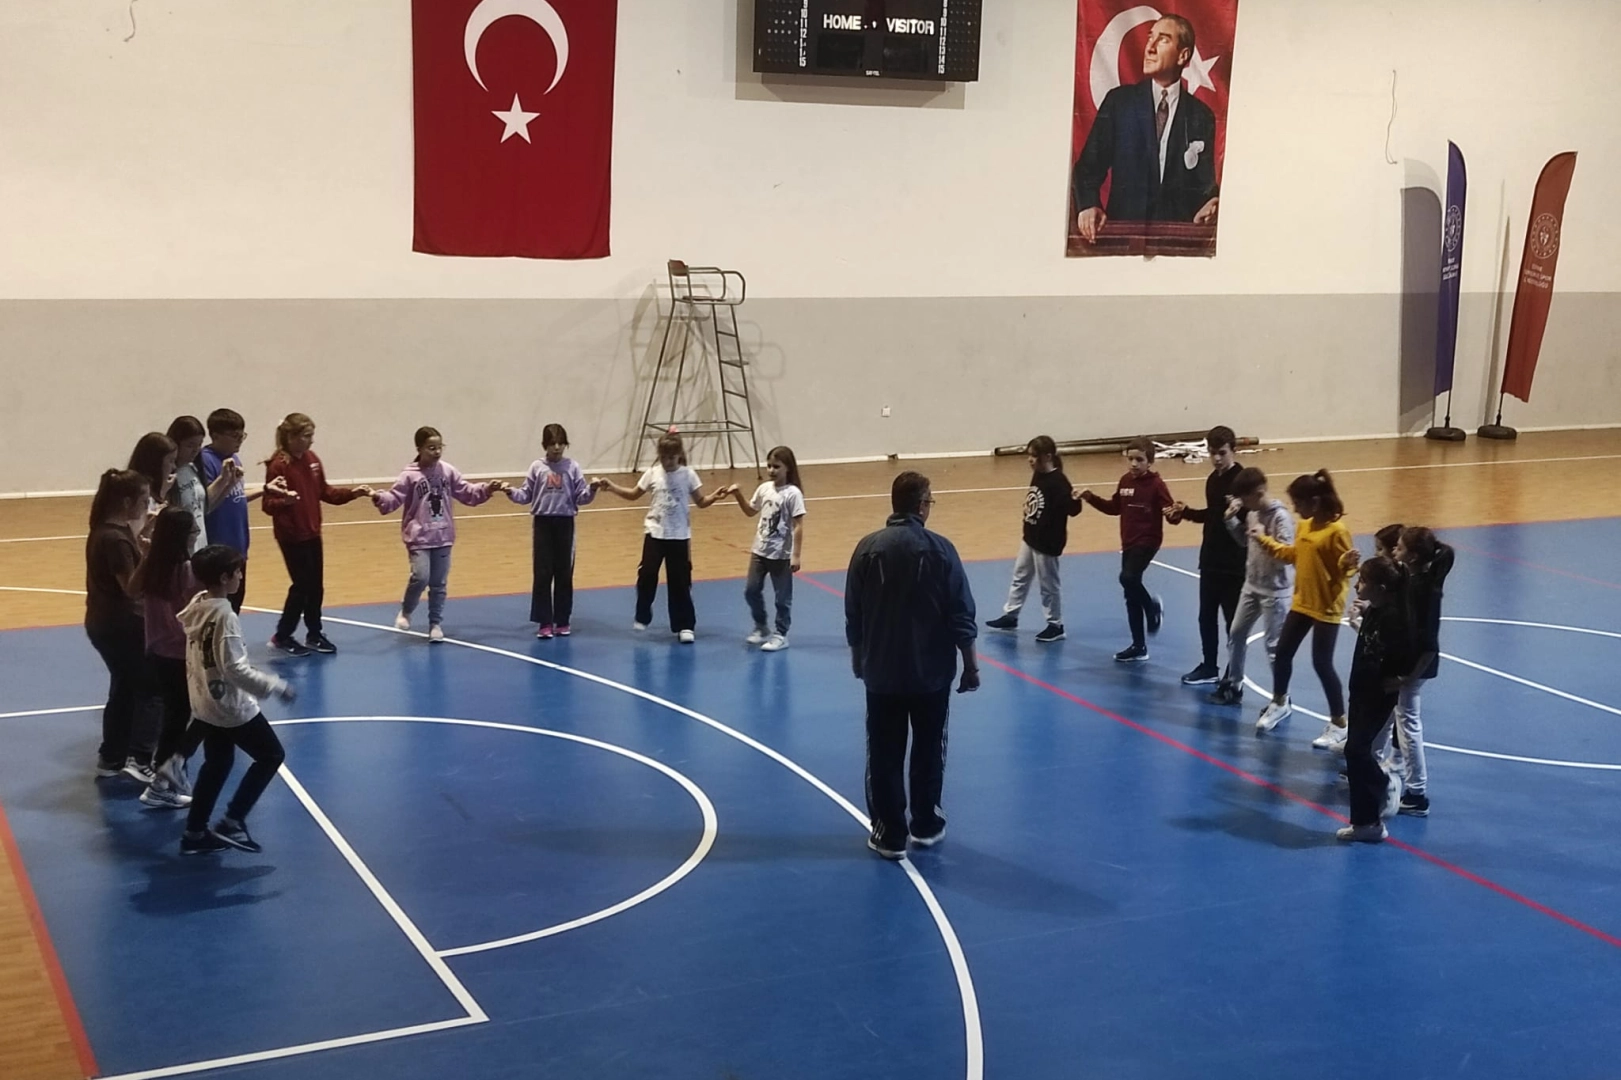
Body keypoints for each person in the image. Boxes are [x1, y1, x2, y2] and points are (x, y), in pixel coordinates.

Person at [846, 472, 979, 858]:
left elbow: (854, 613)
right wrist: (971, 665)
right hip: (931, 674)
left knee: (884, 752)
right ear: (922, 505)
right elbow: (961, 612)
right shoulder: (942, 550)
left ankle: (889, 834)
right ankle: (926, 823)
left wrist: (859, 659)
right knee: (929, 747)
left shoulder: (867, 548)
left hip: (882, 672)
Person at [177, 544, 296, 855]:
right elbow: (234, 668)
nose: (241, 576)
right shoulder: (225, 616)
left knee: (217, 763)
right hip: (230, 706)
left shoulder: (198, 605)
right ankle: (232, 820)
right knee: (271, 755)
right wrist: (275, 685)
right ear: (224, 577)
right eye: (237, 572)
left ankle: (194, 833)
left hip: (205, 700)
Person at [1072, 14, 1220, 241]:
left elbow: (1204, 186)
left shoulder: (1202, 115)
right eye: (1150, 38)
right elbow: (1086, 170)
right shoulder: (1119, 103)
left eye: (1163, 40)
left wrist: (1210, 202)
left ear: (1183, 55)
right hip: (1123, 240)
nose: (1149, 47)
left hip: (1177, 244)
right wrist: (1088, 205)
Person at [1249, 470, 1355, 747]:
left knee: (1322, 663)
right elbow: (1294, 555)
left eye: (1298, 503)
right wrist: (1264, 539)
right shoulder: (1304, 526)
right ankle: (1279, 703)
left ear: (1315, 502)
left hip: (1327, 607)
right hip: (1302, 602)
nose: (1295, 509)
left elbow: (1346, 570)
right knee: (1283, 653)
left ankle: (1339, 723)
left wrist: (1347, 565)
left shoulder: (1337, 531)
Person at [372, 426, 503, 642]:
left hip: (443, 535)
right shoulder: (409, 475)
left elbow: (466, 492)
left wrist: (487, 489)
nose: (437, 452)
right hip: (419, 537)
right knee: (420, 577)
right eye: (431, 448)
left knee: (439, 583)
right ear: (419, 449)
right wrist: (379, 497)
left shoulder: (447, 471)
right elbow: (394, 497)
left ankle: (435, 623)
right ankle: (406, 611)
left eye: (440, 447)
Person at [591, 432, 724, 643]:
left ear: (679, 455)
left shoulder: (688, 475)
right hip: (655, 533)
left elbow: (701, 501)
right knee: (647, 574)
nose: (667, 462)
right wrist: (612, 487)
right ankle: (643, 612)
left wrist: (714, 497)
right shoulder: (653, 473)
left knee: (680, 581)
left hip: (678, 536)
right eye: (663, 457)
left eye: (671, 458)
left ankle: (684, 625)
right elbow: (633, 494)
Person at [260, 413, 371, 656]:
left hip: (312, 532)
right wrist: (285, 501)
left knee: (316, 587)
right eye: (306, 436)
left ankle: (314, 633)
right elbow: (267, 505)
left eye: (312, 435)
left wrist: (353, 493)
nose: (311, 441)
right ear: (291, 437)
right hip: (292, 536)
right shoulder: (279, 465)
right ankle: (282, 635)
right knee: (301, 586)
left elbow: (325, 492)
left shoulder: (312, 460)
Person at [84, 468, 158, 783]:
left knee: (124, 688)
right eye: (144, 499)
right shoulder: (114, 539)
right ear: (127, 501)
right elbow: (131, 587)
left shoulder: (107, 530)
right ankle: (140, 757)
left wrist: (144, 537)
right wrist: (151, 556)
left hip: (103, 622)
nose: (147, 505)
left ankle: (112, 756)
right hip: (122, 625)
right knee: (151, 688)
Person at [1337, 555, 1415, 843]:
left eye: (1363, 581)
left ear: (1381, 588)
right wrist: (1360, 616)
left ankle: (1385, 782)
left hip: (1377, 695)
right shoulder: (1375, 610)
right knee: (1354, 753)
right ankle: (1365, 824)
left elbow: (1413, 653)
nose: (1357, 585)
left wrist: (1402, 679)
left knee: (1356, 751)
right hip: (1359, 689)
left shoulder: (1397, 619)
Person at [131, 505, 203, 809]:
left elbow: (132, 589)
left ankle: (165, 779)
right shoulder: (187, 571)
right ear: (182, 536)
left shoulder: (153, 567)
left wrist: (146, 554)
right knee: (181, 719)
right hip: (180, 653)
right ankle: (163, 782)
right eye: (192, 529)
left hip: (158, 652)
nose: (197, 533)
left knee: (175, 715)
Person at [1080, 437, 1175, 662]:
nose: (1134, 464)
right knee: (1130, 594)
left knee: (1128, 577)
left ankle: (1152, 608)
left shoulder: (1157, 485)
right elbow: (1114, 508)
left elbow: (1171, 514)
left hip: (1148, 541)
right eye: (1130, 459)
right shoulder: (1125, 481)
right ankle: (1139, 646)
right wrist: (1090, 497)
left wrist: (1175, 514)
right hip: (1129, 542)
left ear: (1149, 462)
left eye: (1139, 459)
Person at [1208, 467, 1294, 711]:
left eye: (1245, 499)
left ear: (1258, 493)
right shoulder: (1252, 514)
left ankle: (1281, 698)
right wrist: (1230, 520)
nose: (1243, 504)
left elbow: (1286, 556)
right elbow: (1244, 541)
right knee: (1236, 634)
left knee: (1274, 648)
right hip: (1252, 585)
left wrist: (1263, 538)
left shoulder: (1281, 518)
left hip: (1275, 591)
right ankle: (1234, 684)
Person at [985, 435, 1083, 643]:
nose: (1030, 460)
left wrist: (1076, 499)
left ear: (1047, 456)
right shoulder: (1038, 474)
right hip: (1031, 537)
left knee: (1048, 585)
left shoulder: (1058, 482)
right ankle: (1011, 614)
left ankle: (1055, 624)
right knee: (1020, 575)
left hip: (1047, 542)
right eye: (1029, 455)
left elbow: (1073, 510)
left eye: (1034, 456)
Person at [1167, 425, 1245, 684]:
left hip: (1233, 564)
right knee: (1206, 617)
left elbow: (1245, 522)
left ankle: (1233, 672)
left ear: (1233, 450)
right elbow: (1212, 515)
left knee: (1232, 621)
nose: (1217, 458)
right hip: (1210, 559)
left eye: (1222, 453)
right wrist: (1186, 512)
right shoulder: (1212, 479)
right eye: (1212, 453)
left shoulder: (1242, 481)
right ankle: (1209, 666)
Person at [505, 423, 596, 639]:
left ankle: (562, 620)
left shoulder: (572, 467)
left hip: (565, 523)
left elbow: (581, 497)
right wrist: (510, 492)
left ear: (566, 445)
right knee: (542, 573)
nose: (556, 448)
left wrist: (592, 489)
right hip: (543, 524)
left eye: (561, 443)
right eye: (552, 443)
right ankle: (544, 621)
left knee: (564, 573)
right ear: (544, 445)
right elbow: (525, 495)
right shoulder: (537, 467)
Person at [718, 445, 807, 652]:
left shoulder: (793, 494)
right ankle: (761, 626)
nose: (771, 470)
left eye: (776, 466)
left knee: (782, 598)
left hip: (781, 555)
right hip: (760, 551)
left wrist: (795, 555)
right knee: (751, 590)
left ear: (788, 468)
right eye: (769, 466)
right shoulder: (764, 489)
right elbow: (751, 511)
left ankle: (781, 634)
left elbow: (798, 526)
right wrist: (737, 495)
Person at [199, 409, 287, 614]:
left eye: (242, 436)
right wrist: (224, 480)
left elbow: (235, 497)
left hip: (238, 544)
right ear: (215, 435)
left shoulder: (234, 459)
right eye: (234, 436)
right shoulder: (205, 461)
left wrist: (265, 489)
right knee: (219, 607)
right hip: (218, 546)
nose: (239, 441)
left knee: (236, 600)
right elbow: (207, 502)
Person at [164, 415, 218, 555]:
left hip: (200, 545)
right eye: (190, 445)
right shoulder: (167, 476)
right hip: (180, 551)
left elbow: (204, 506)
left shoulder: (193, 469)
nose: (196, 450)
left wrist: (227, 481)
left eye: (199, 444)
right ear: (176, 443)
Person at [127, 432, 178, 524]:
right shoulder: (138, 494)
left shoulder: (165, 489)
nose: (174, 466)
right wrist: (162, 493)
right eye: (171, 461)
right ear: (156, 463)